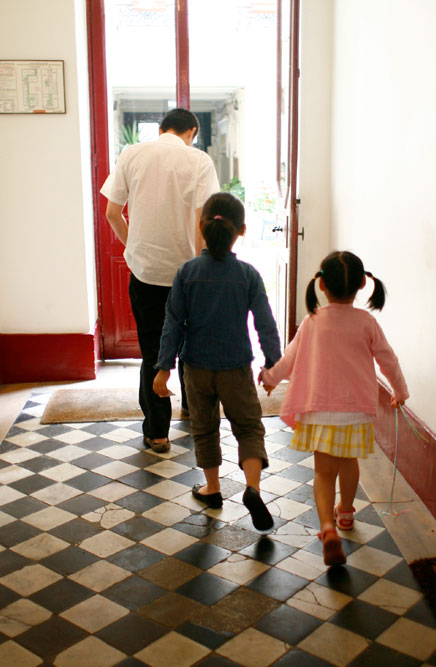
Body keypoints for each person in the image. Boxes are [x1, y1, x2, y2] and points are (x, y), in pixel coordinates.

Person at [259, 251, 408, 565]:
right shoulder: (367, 321)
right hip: (355, 410)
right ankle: (347, 515)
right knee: (349, 461)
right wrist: (400, 391)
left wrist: (271, 378)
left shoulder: (313, 321)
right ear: (361, 286)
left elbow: (289, 359)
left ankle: (327, 527)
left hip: (320, 409)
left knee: (324, 473)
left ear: (322, 284)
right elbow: (387, 359)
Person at [152, 192, 281, 531]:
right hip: (235, 367)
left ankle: (212, 489)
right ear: (242, 230)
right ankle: (252, 488)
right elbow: (265, 323)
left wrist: (163, 368)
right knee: (249, 427)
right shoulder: (248, 275)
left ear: (201, 226)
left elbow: (173, 323)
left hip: (196, 368)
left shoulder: (187, 273)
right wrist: (273, 366)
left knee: (204, 429)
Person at [101, 109, 220, 453]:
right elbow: (204, 218)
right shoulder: (198, 161)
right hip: (187, 275)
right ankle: (192, 411)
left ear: (162, 128)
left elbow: (112, 212)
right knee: (190, 349)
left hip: (146, 273)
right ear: (192, 131)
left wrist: (133, 246)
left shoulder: (132, 154)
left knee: (153, 351)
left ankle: (157, 432)